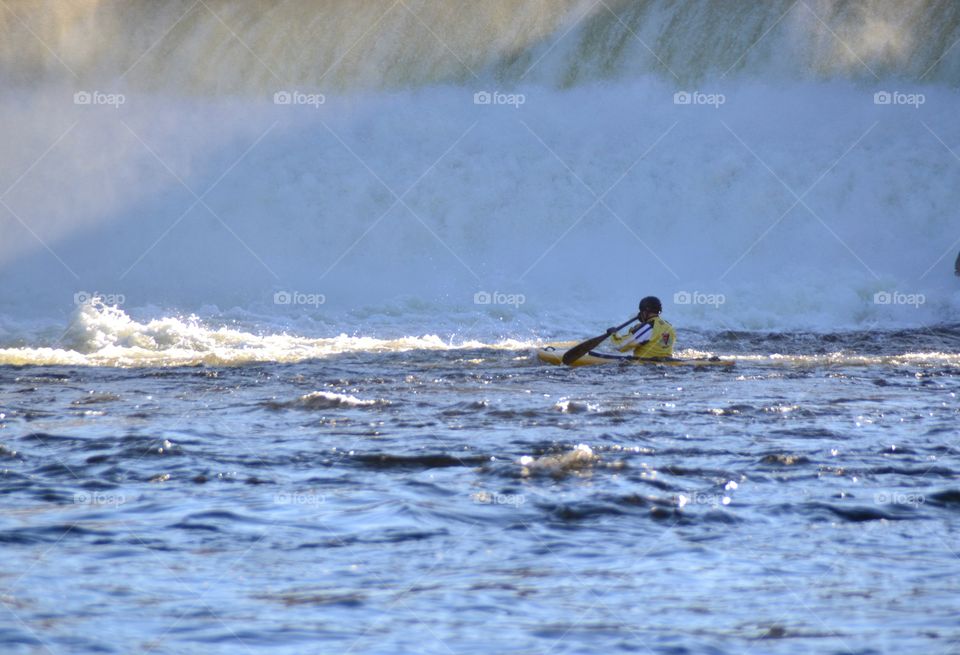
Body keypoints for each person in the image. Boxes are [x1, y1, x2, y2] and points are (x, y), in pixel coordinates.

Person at [607, 296, 676, 358]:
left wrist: (614, 334)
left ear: (645, 311)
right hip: (666, 364)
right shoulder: (669, 326)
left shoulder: (648, 327)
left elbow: (621, 346)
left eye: (641, 311)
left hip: (645, 367)